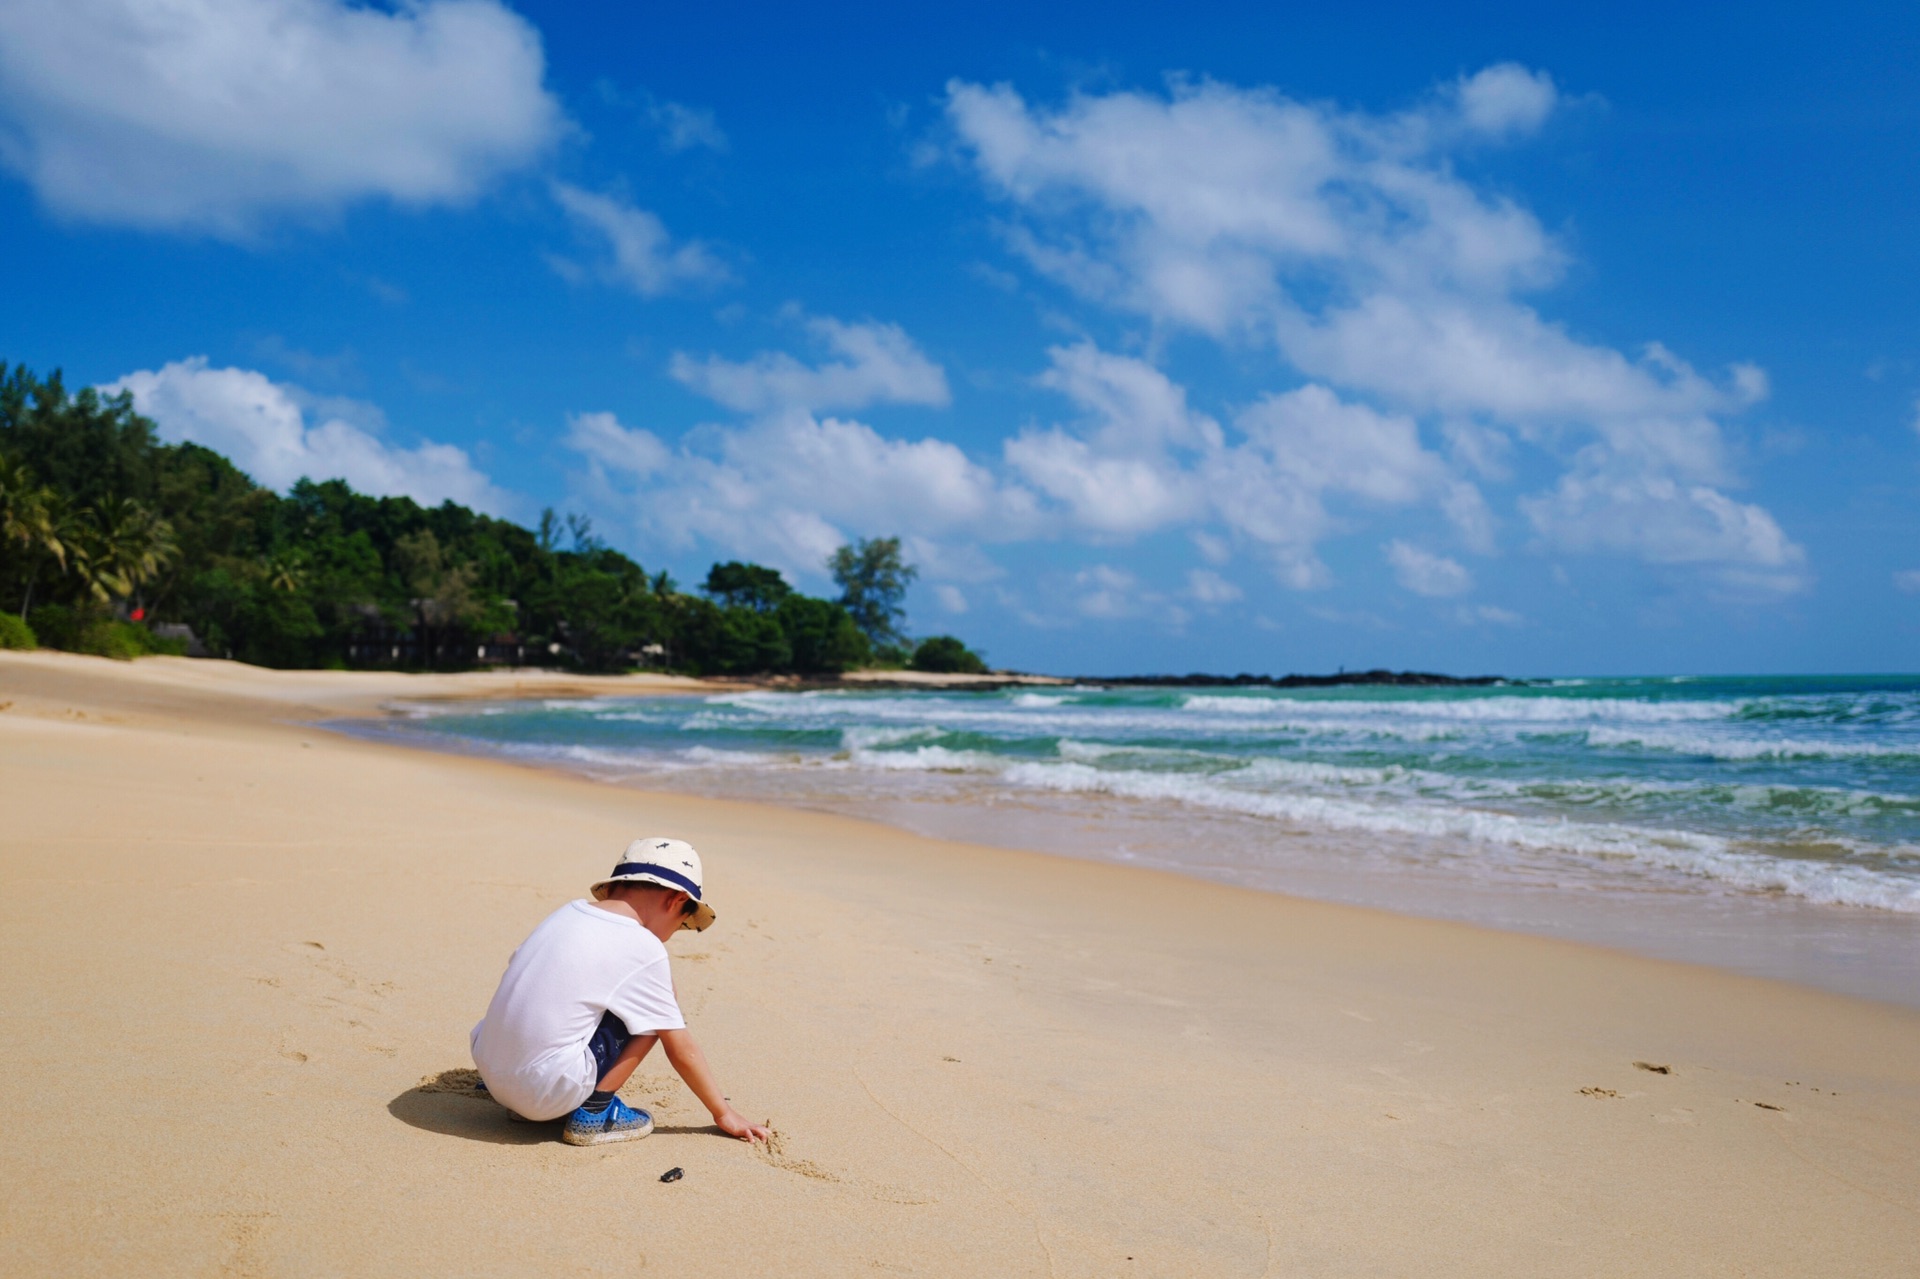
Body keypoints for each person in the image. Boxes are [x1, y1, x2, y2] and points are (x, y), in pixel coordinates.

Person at [470, 837, 771, 1147]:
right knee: (662, 1002)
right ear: (676, 901)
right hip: (542, 1092)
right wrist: (723, 1113)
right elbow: (680, 1048)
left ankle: (539, 1096)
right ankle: (595, 1111)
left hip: (494, 1075)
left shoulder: (565, 914)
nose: (671, 935)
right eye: (681, 922)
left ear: (613, 888)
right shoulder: (643, 946)